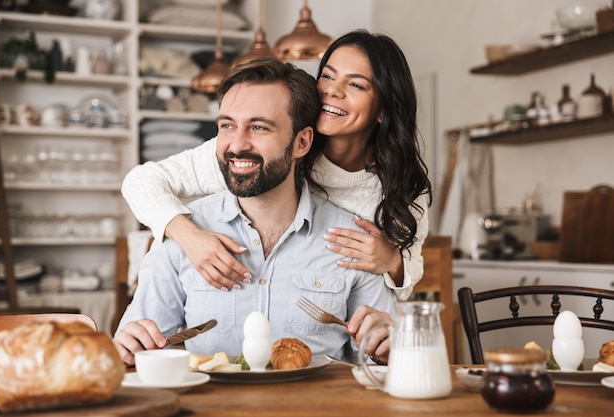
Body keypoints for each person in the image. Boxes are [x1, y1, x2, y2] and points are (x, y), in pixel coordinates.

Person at [114, 58, 396, 366]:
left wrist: (389, 348)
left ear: (301, 142)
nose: (237, 144)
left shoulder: (353, 242)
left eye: (259, 127)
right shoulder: (180, 236)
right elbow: (138, 354)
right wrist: (129, 349)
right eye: (227, 126)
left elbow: (384, 361)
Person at [121, 30, 431, 301]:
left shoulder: (403, 187)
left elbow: (406, 279)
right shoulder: (270, 150)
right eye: (328, 75)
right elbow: (141, 182)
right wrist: (190, 237)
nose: (333, 91)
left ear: (383, 110)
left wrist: (392, 262)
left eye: (356, 85)